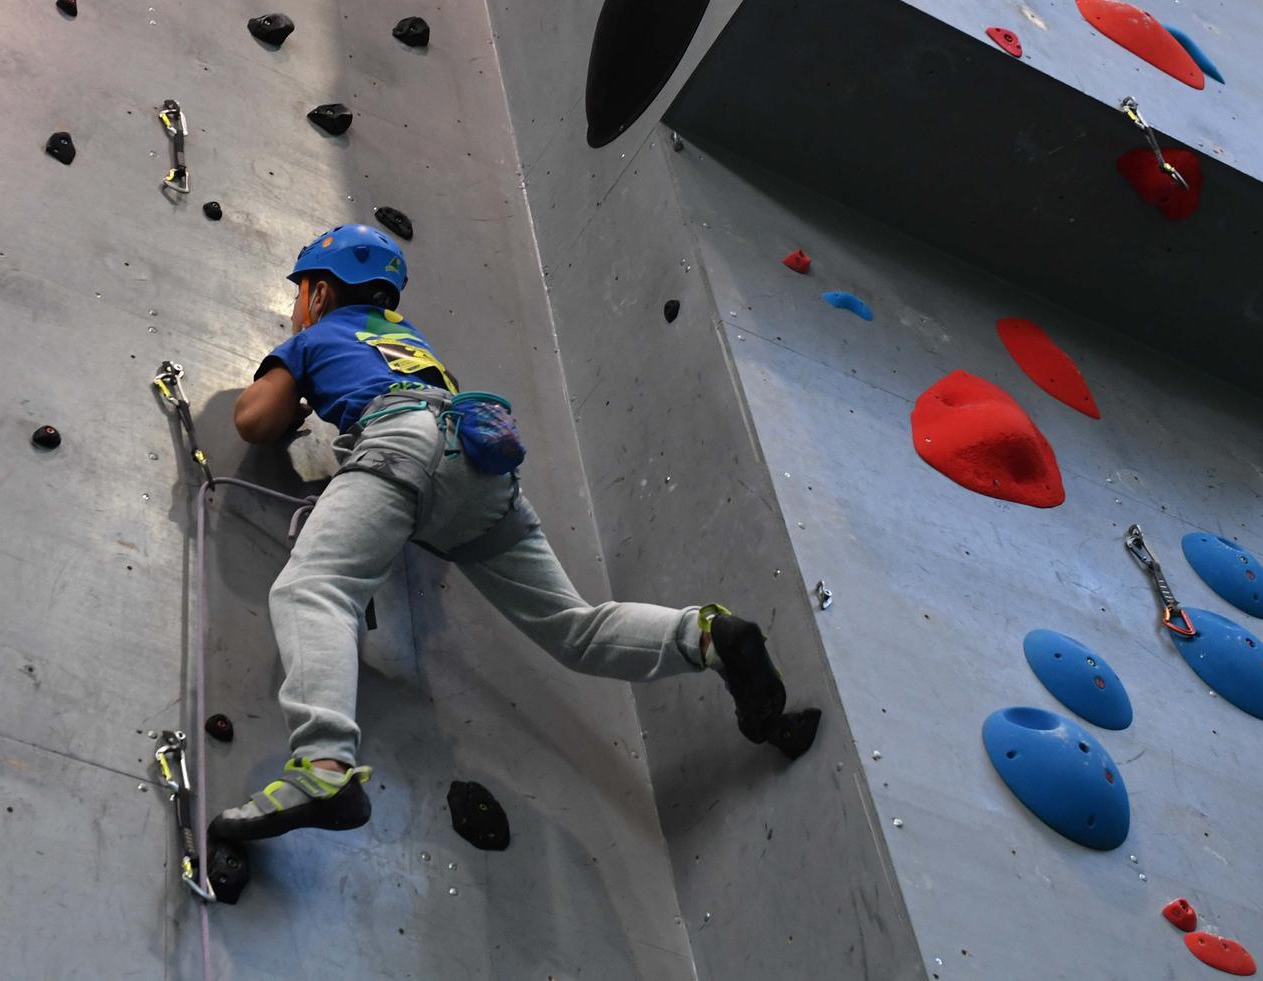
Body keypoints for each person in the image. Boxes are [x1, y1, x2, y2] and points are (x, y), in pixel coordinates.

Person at [210, 224, 812, 843]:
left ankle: (324, 767)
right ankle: (708, 634)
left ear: (316, 291)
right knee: (576, 627)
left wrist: (292, 380)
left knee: (315, 590)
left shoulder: (320, 336)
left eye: (298, 295)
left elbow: (255, 420)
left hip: (400, 444)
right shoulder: (410, 343)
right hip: (480, 462)